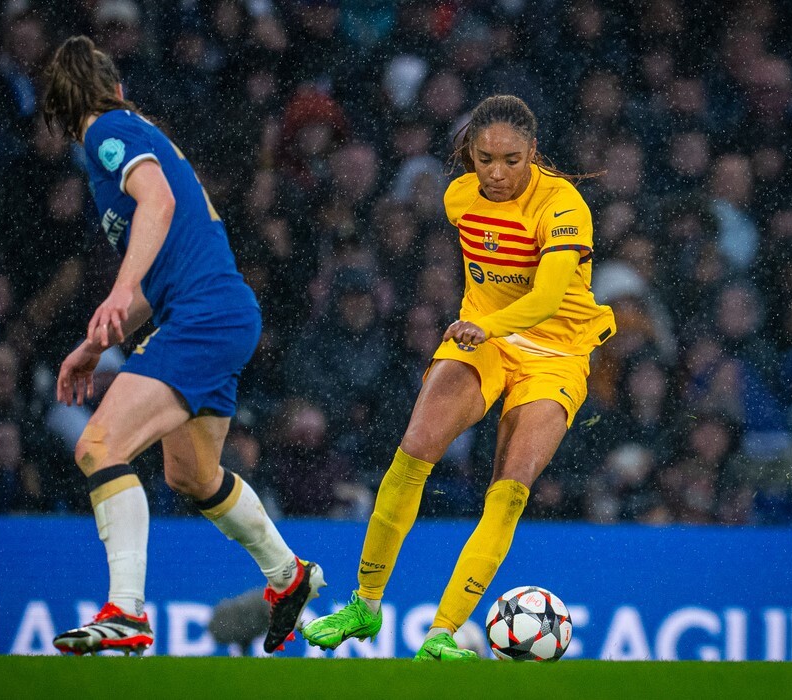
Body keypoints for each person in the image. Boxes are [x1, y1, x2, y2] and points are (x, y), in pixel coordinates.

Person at [302, 95, 616, 661]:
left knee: (510, 485)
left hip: (555, 352)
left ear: (534, 154)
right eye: (486, 157)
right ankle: (364, 605)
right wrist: (483, 329)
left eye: (512, 160)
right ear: (470, 152)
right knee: (414, 449)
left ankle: (443, 632)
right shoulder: (458, 197)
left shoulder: (564, 206)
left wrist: (486, 324)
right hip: (484, 340)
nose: (497, 173)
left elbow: (546, 299)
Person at [40, 36, 323, 656]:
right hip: (215, 312)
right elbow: (162, 260)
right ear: (114, 84)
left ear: (63, 111)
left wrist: (116, 293)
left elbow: (159, 204)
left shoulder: (107, 133)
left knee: (98, 445)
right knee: (192, 475)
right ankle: (289, 577)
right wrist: (97, 342)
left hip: (203, 317)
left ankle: (127, 612)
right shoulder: (136, 132)